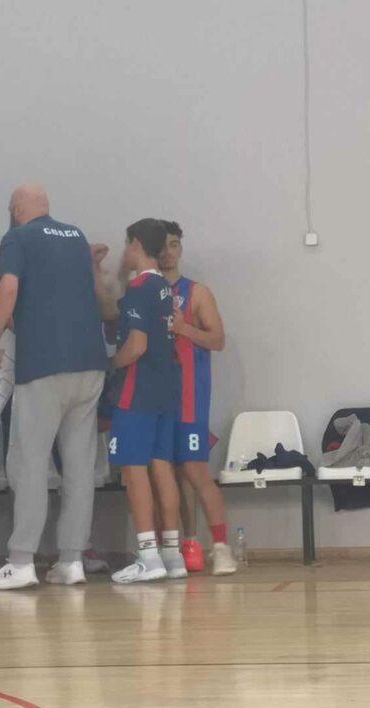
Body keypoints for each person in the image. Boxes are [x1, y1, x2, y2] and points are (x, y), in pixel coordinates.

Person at [0, 184, 108, 589]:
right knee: (79, 466)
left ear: (17, 209)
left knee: (29, 463)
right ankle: (72, 560)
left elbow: (9, 289)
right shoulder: (76, 236)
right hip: (90, 363)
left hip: (44, 365)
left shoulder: (18, 238)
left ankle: (21, 562)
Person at [105, 220, 187, 583]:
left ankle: (148, 556)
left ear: (135, 244)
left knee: (134, 467)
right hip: (164, 389)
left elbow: (136, 346)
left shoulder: (139, 288)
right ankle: (172, 555)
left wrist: (111, 363)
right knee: (162, 466)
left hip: (136, 391)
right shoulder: (165, 287)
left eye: (126, 245)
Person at [159, 220, 237, 576]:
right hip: (154, 399)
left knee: (194, 470)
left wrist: (184, 328)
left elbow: (217, 340)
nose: (168, 252)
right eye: (162, 245)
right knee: (165, 473)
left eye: (174, 244)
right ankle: (185, 545)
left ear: (181, 249)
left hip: (189, 396)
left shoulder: (196, 292)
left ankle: (221, 548)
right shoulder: (144, 290)